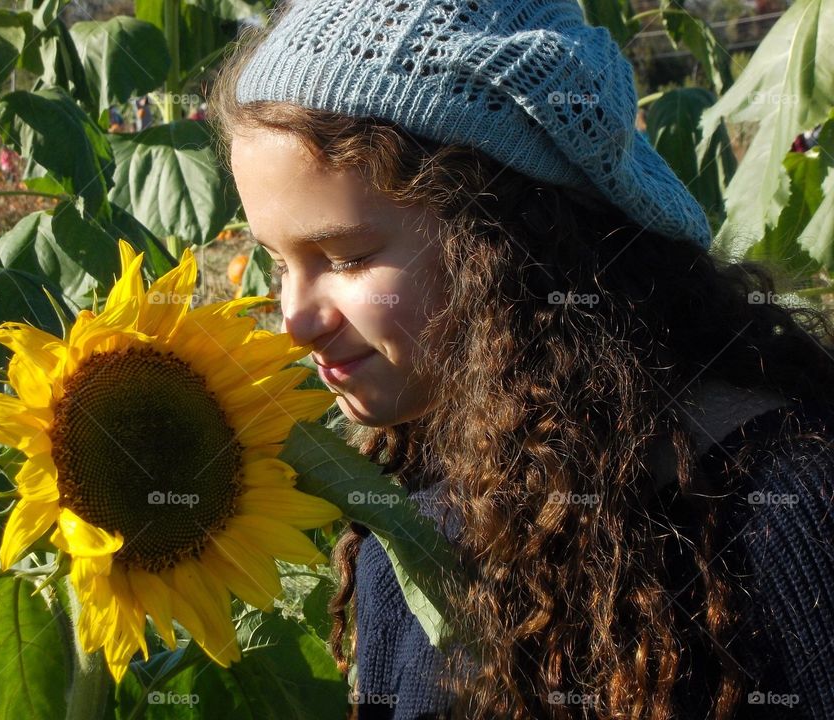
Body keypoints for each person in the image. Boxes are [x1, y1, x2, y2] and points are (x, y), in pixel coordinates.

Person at [207, 1, 834, 718]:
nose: (294, 319)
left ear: (509, 240)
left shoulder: (784, 512)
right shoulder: (406, 535)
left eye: (346, 257)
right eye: (276, 260)